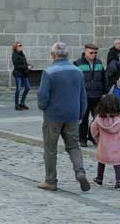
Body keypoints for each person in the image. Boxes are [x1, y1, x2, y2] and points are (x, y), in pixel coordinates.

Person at [37, 42, 90, 192]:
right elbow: (83, 96)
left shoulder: (49, 72)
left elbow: (43, 95)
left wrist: (42, 107)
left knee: (50, 148)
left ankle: (50, 180)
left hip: (53, 115)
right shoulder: (77, 71)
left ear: (53, 55)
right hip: (73, 114)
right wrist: (81, 114)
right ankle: (80, 171)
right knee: (73, 146)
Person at [91, 94, 120, 191]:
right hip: (116, 145)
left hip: (103, 145)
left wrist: (97, 138)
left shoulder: (99, 118)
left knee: (101, 161)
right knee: (117, 163)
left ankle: (99, 178)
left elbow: (93, 129)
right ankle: (119, 182)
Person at [74, 43, 108, 147]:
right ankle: (82, 139)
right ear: (85, 51)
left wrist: (105, 92)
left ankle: (92, 135)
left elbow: (104, 78)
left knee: (97, 118)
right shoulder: (78, 63)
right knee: (83, 119)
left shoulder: (98, 63)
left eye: (95, 53)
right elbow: (74, 80)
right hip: (84, 95)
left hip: (97, 95)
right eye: (91, 52)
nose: (93, 54)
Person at [12, 42, 31, 111]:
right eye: (19, 45)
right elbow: (17, 66)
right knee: (18, 89)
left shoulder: (22, 54)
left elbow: (24, 63)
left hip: (24, 73)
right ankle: (16, 105)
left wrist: (29, 65)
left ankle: (22, 103)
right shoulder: (14, 55)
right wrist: (26, 66)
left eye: (21, 45)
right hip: (18, 74)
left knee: (28, 87)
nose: (21, 46)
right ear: (16, 47)